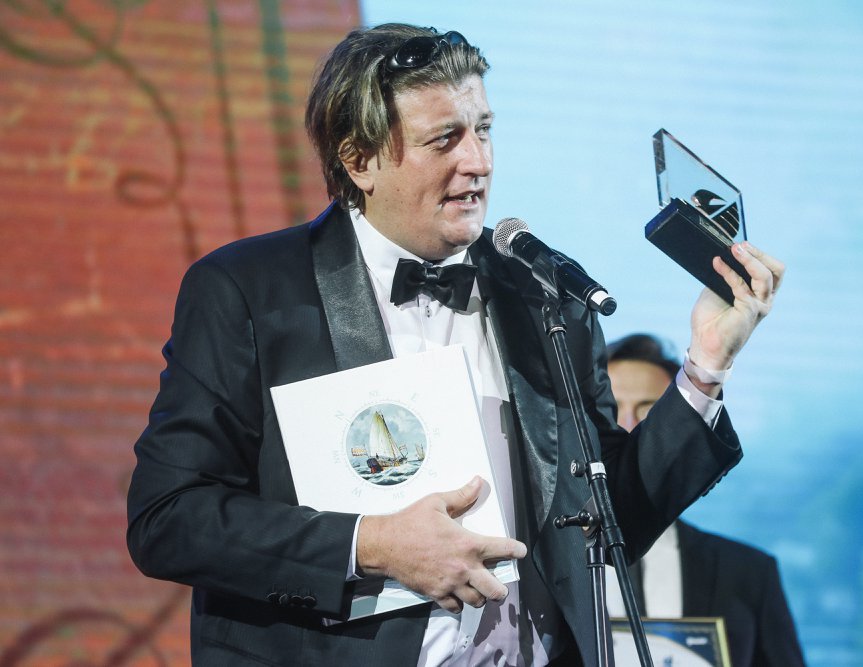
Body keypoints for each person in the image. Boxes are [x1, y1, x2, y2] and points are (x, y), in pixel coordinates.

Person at [125, 23, 785, 666]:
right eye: (445, 139)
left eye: (484, 129)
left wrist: (706, 367)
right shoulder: (250, 291)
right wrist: (371, 544)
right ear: (360, 160)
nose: (478, 161)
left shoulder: (542, 291)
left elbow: (608, 526)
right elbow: (169, 517)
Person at [604, 333, 805, 667]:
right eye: (610, 411)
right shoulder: (545, 567)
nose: (627, 426)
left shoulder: (748, 571)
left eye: (649, 413)